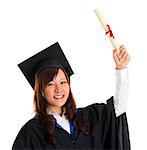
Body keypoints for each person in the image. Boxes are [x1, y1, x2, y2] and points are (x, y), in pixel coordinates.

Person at [12, 42, 131, 149]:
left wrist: (121, 69)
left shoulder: (88, 118)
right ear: (41, 91)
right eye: (51, 84)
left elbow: (117, 111)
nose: (59, 89)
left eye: (63, 82)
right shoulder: (31, 133)